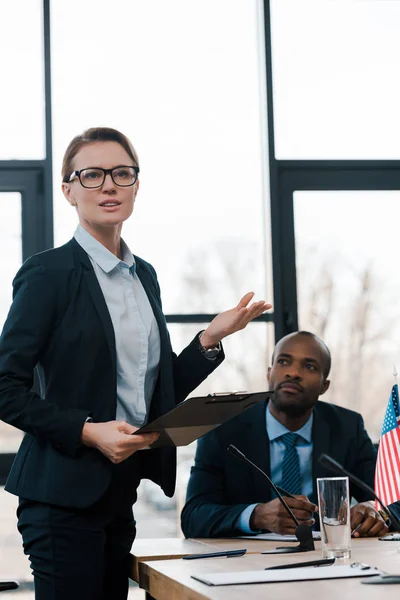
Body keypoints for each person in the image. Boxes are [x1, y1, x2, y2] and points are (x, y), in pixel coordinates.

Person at [0, 127, 271, 600]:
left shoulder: (143, 275)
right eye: (92, 175)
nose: (109, 185)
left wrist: (210, 338)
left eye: (121, 173)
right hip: (60, 497)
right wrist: (89, 430)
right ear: (68, 190)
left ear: (136, 186)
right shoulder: (48, 274)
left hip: (118, 495)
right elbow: (4, 386)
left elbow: (154, 389)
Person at [181, 331, 389, 539]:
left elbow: (388, 500)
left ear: (324, 385)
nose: (293, 373)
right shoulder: (223, 430)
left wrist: (373, 510)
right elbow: (193, 517)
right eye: (283, 361)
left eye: (309, 366)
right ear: (269, 373)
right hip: (248, 560)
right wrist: (255, 515)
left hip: (328, 553)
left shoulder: (347, 428)